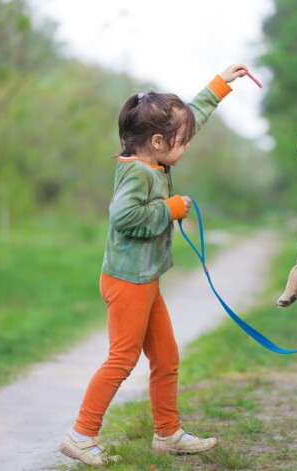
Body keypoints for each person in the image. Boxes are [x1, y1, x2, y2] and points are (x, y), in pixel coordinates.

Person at [59, 64, 249, 467]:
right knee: (122, 359)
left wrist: (219, 85)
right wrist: (169, 208)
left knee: (166, 358)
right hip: (127, 283)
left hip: (145, 281)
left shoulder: (154, 157)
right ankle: (81, 434)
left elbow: (189, 115)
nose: (187, 147)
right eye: (182, 142)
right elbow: (122, 218)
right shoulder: (137, 174)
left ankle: (167, 434)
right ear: (158, 141)